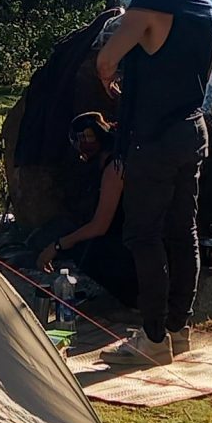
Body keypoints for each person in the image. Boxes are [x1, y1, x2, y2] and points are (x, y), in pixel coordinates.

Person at [95, 0, 212, 363]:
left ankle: (151, 340)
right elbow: (203, 74)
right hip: (193, 132)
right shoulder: (206, 9)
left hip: (153, 139)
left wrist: (110, 83)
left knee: (144, 235)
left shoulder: (147, 6)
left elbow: (108, 59)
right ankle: (178, 330)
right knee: (183, 233)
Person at [35, 113, 136, 300]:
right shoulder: (109, 163)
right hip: (128, 241)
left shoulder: (115, 168)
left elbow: (100, 226)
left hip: (134, 250)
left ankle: (131, 297)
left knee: (80, 245)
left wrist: (57, 246)